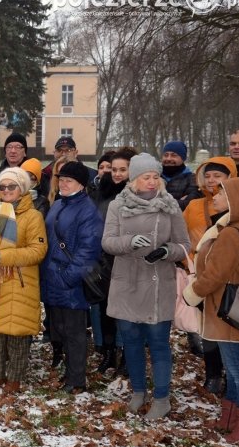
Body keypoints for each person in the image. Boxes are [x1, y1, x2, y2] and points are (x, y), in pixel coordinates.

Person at [102, 153, 191, 420]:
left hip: (157, 284)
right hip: (127, 282)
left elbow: (185, 246)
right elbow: (108, 242)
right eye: (146, 177)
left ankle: (162, 398)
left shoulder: (170, 205)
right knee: (131, 341)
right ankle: (138, 392)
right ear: (134, 180)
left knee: (158, 343)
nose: (152, 182)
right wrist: (130, 242)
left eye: (155, 176)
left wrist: (166, 251)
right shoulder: (118, 206)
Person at [182, 178, 239, 443]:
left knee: (237, 369)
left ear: (236, 200)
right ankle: (230, 417)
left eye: (222, 193)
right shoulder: (237, 227)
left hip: (226, 309)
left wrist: (192, 294)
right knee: (234, 368)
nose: (215, 196)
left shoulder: (232, 234)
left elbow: (215, 275)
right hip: (232, 308)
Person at [0, 167, 47, 394]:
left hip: (18, 282)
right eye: (2, 186)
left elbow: (37, 250)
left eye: (11, 186)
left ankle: (14, 379)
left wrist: (3, 257)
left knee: (16, 334)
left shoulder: (32, 216)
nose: (5, 190)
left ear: (22, 188)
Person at [41, 162, 103, 394]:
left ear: (81, 184)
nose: (64, 183)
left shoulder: (87, 210)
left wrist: (67, 278)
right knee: (60, 330)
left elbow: (89, 250)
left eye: (69, 180)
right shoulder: (57, 204)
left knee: (75, 333)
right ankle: (69, 373)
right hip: (53, 280)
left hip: (71, 284)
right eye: (61, 179)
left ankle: (77, 379)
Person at [182, 156, 237, 394]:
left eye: (219, 176)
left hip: (231, 277)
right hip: (201, 274)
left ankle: (235, 375)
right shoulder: (194, 205)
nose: (212, 180)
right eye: (209, 175)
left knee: (231, 327)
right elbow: (183, 236)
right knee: (208, 328)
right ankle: (214, 373)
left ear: (230, 179)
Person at [88, 147, 137, 375]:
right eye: (113, 169)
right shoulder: (101, 191)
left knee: (128, 312)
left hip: (128, 259)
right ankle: (109, 353)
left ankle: (129, 356)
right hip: (104, 260)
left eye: (122, 169)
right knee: (107, 310)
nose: (116, 173)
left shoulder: (136, 194)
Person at [161, 141, 195, 210]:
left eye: (174, 155)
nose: (169, 158)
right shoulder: (154, 177)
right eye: (166, 155)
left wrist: (157, 203)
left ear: (183, 158)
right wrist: (179, 202)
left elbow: (189, 205)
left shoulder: (192, 179)